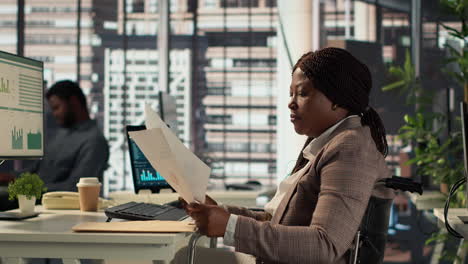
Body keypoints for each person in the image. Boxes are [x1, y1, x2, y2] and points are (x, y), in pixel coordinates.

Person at [178, 47, 395, 264]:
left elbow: (324, 245)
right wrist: (221, 214)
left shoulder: (350, 148)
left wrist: (230, 226)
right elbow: (278, 221)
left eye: (302, 93)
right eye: (291, 93)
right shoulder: (328, 143)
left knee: (179, 258)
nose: (291, 103)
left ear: (337, 98)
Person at [0, 80, 109, 192]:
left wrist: (28, 188)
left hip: (47, 203)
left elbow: (74, 188)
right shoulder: (60, 134)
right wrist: (9, 177)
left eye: (57, 108)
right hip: (30, 197)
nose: (54, 114)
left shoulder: (94, 142)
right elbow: (35, 169)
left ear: (73, 102)